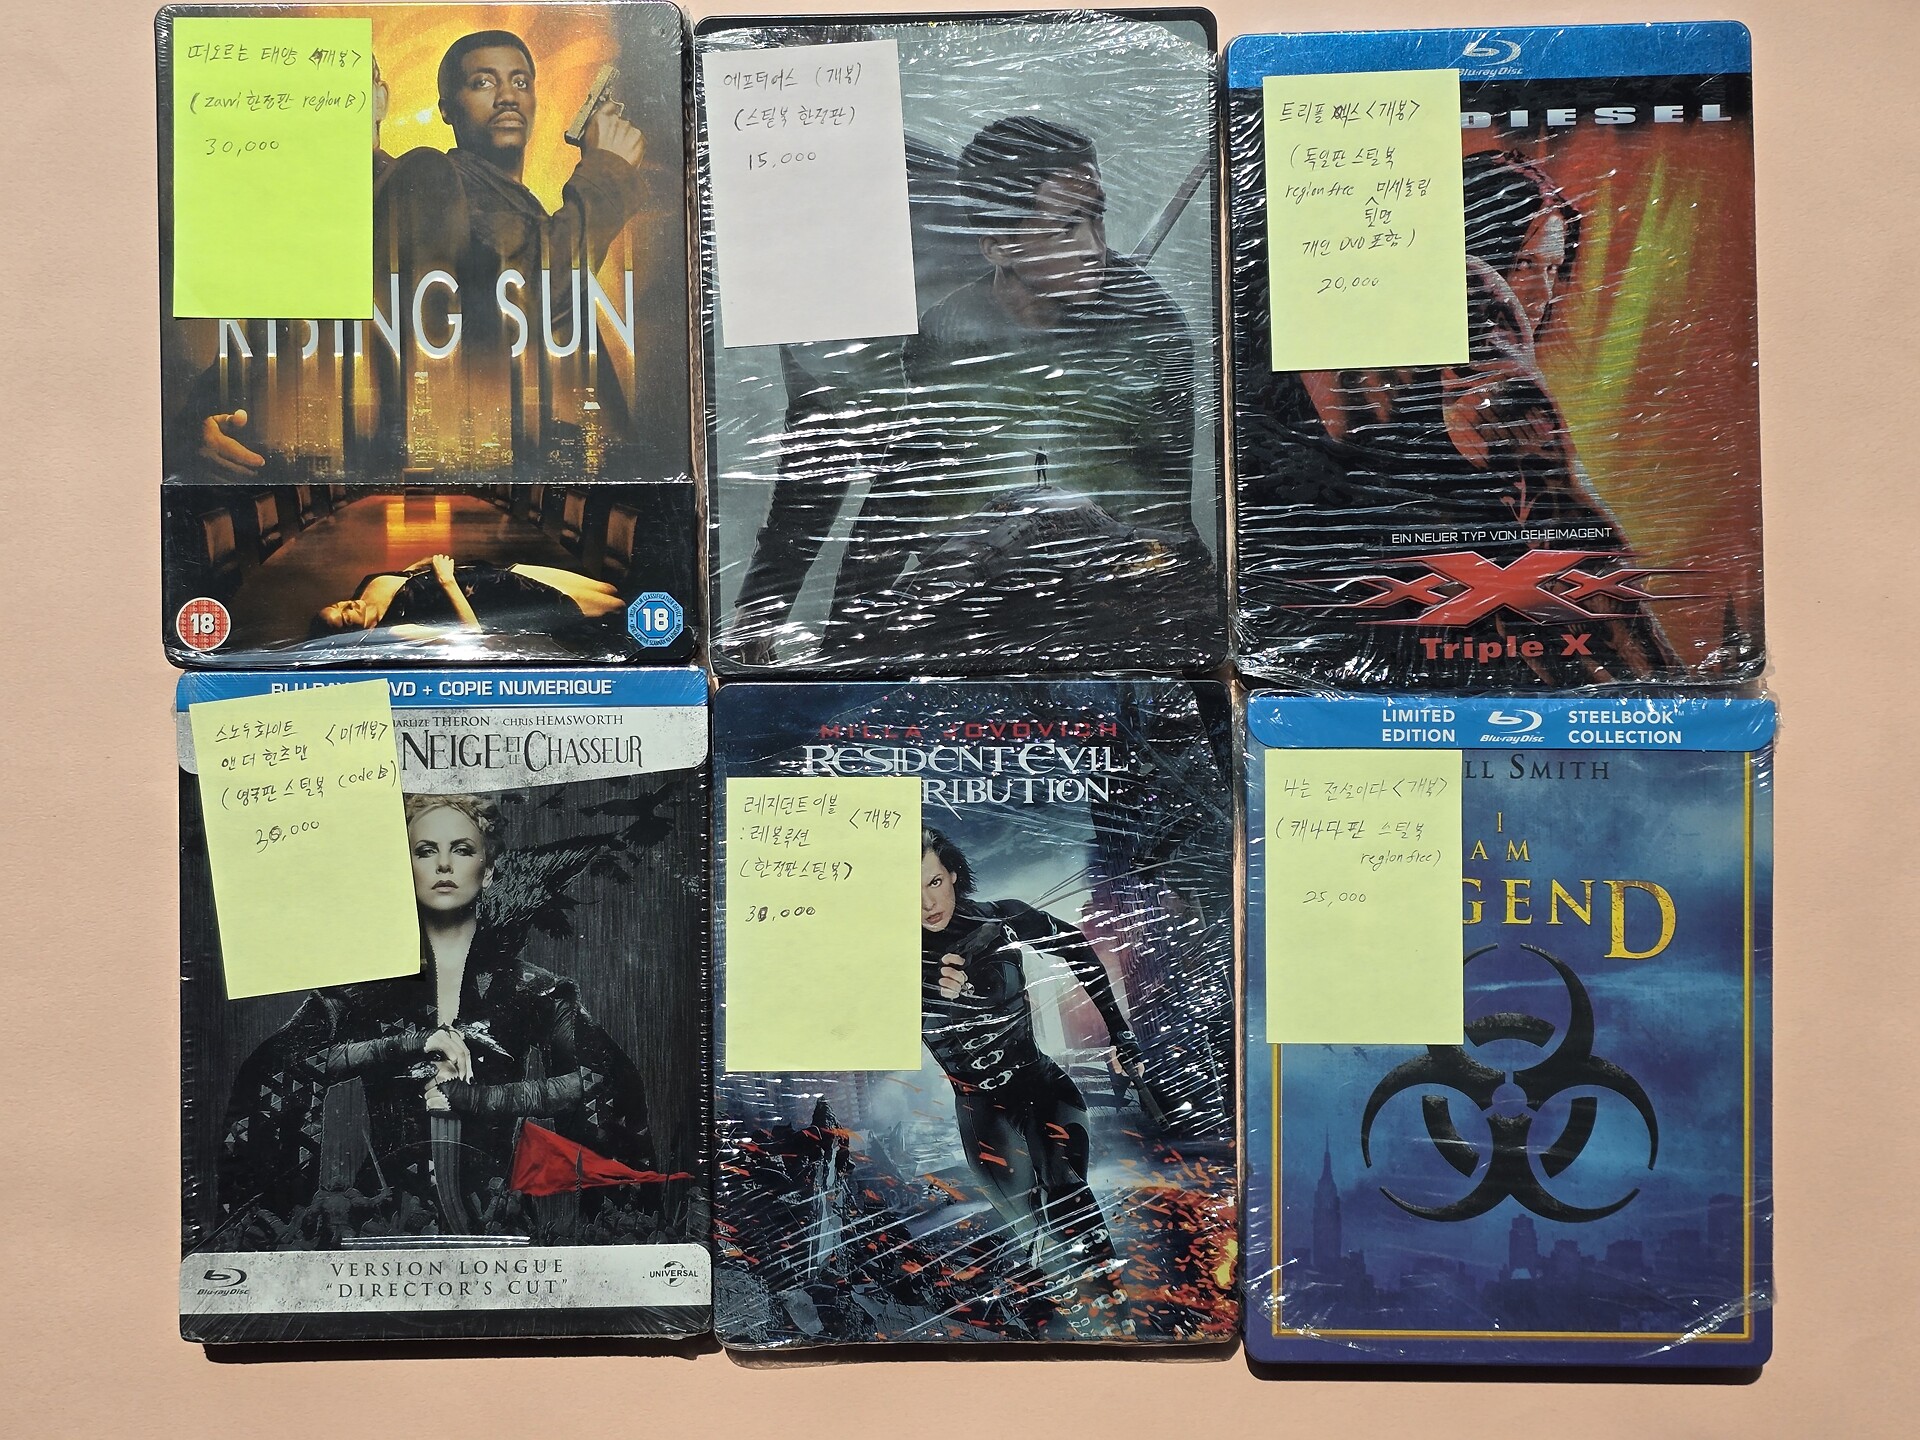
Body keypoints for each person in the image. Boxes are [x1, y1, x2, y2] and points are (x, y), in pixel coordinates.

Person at [216, 794, 654, 1238]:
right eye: (426, 851)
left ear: (488, 870)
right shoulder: (363, 989)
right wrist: (406, 1044)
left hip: (496, 1219)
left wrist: (484, 1100)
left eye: (461, 849)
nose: (444, 864)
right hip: (384, 1219)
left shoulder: (531, 988)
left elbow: (600, 1081)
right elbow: (283, 1064)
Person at [917, 827, 1145, 1325]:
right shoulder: (892, 961)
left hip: (1039, 1086)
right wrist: (925, 987)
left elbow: (1077, 948)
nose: (927, 904)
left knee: (1066, 1191)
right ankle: (1069, 1322)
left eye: (933, 882)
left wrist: (1121, 1035)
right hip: (980, 1111)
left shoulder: (1002, 919)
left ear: (952, 874)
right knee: (1030, 1232)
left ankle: (1115, 1314)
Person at [311, 553, 622, 638]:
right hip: (515, 600)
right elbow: (471, 634)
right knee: (617, 606)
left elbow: (405, 581)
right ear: (352, 634)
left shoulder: (366, 586)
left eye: (338, 604)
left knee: (609, 588)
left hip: (499, 573)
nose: (349, 605)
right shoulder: (395, 629)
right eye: (345, 617)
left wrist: (416, 570)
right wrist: (446, 581)